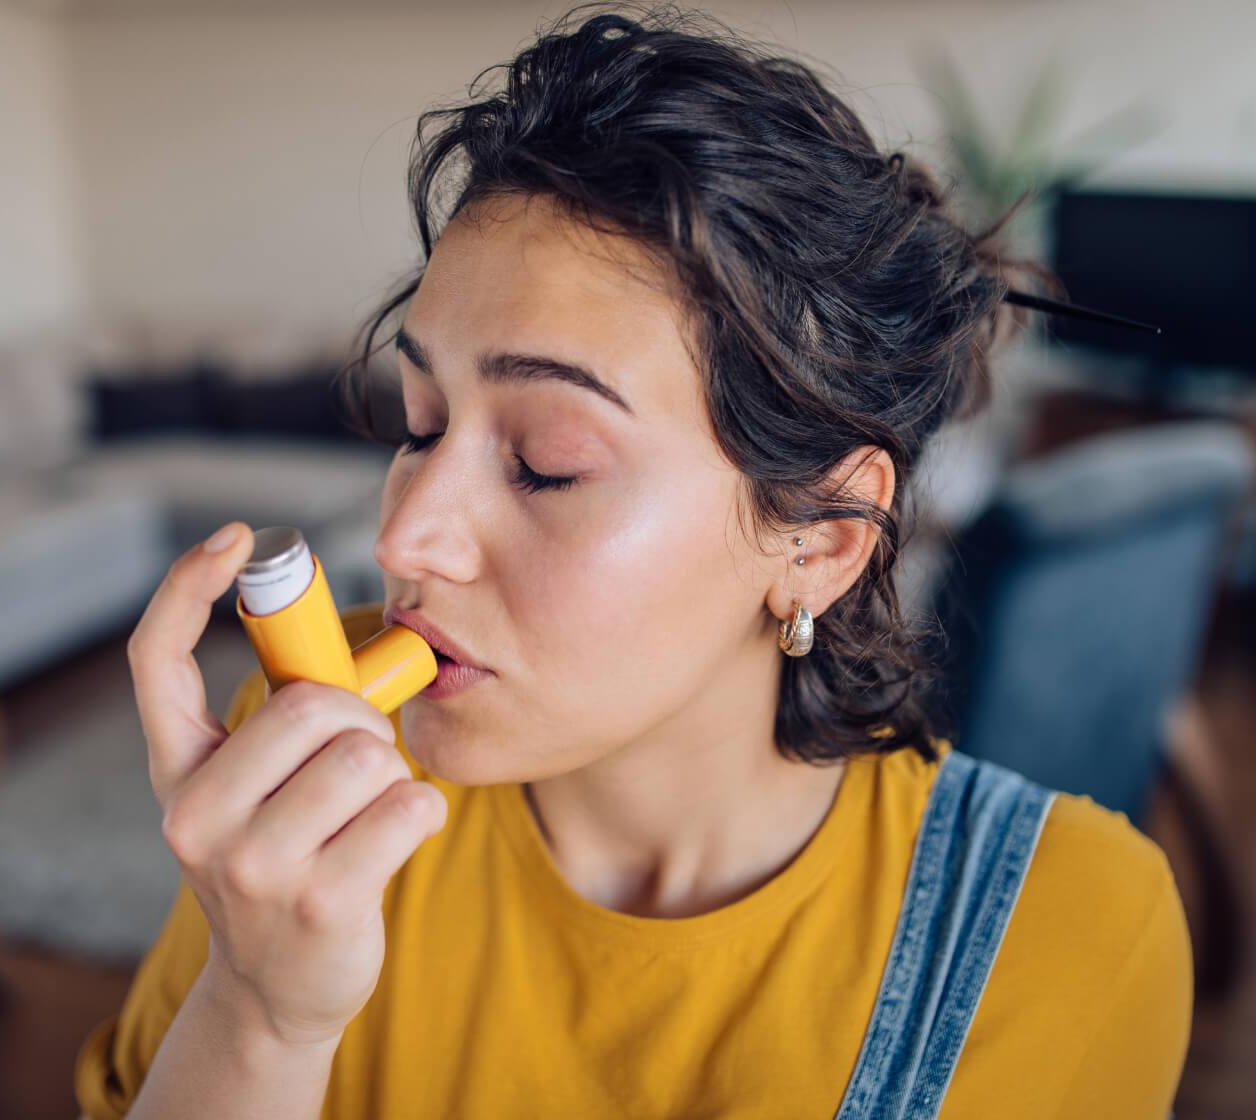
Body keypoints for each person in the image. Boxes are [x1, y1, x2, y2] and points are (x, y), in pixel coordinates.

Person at [74, 4, 1192, 1117]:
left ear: (821, 540)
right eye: (419, 423)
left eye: (549, 464)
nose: (403, 536)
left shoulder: (1072, 929)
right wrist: (261, 1013)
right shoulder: (316, 783)